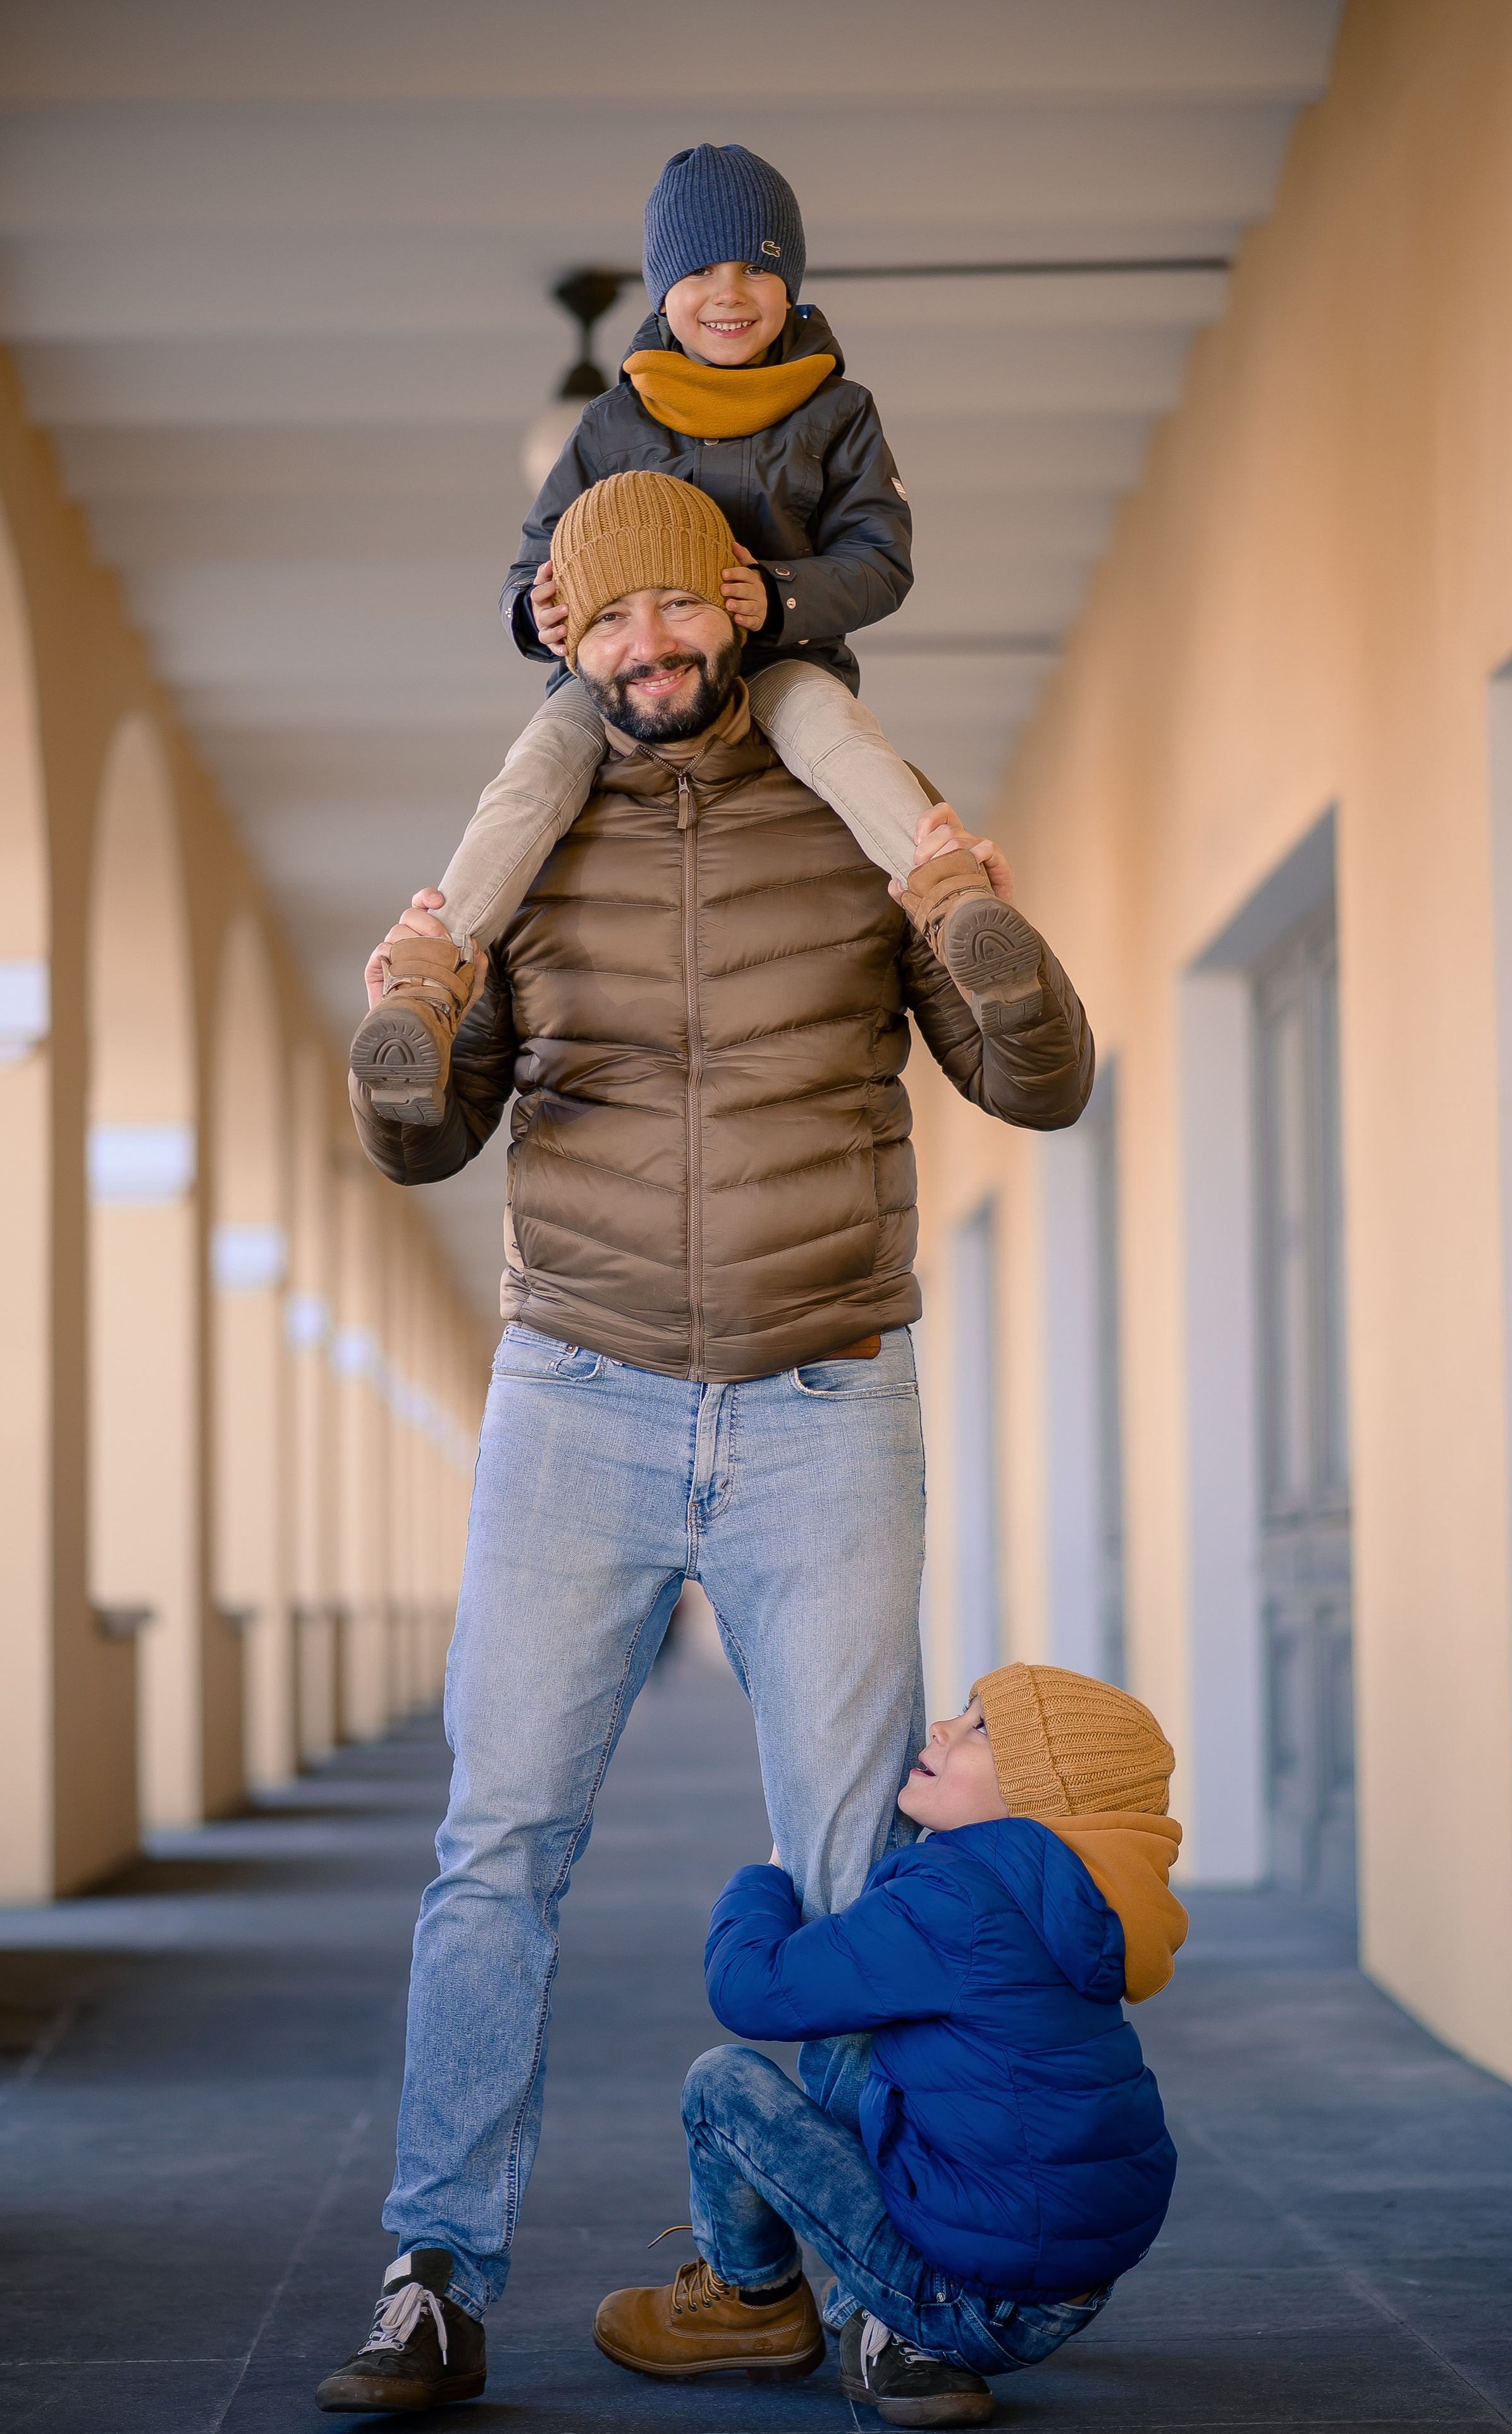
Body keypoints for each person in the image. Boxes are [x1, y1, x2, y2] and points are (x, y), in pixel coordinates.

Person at [315, 473, 1095, 2416]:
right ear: (568, 643)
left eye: (676, 624)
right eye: (612, 633)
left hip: (826, 1386)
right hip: (576, 1388)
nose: (650, 658)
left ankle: (875, 2277)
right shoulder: (534, 843)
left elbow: (1039, 1083)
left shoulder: (854, 811)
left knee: (851, 1859)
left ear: (736, 609)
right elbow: (430, 1139)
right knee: (494, 1845)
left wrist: (973, 916)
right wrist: (410, 1025)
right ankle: (429, 2275)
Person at [348, 141, 1019, 1130]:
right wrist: (534, 616)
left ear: (790, 281)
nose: (730, 292)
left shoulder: (838, 414)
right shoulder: (612, 423)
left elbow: (881, 556)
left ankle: (955, 902)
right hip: (610, 683)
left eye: (757, 267)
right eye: (700, 270)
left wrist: (780, 599)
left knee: (846, 745)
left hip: (784, 659)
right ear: (663, 291)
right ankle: (426, 979)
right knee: (531, 780)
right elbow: (534, 560)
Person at [593, 1664, 1186, 2428]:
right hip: (1072, 2290)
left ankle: (754, 2298)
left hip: (970, 2295)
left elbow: (749, 1988)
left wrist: (772, 1870)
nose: (942, 1728)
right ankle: (885, 2324)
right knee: (911, 2058)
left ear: (1041, 1797)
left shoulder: (955, 1901)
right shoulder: (1079, 1909)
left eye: (980, 1729)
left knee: (722, 2084)